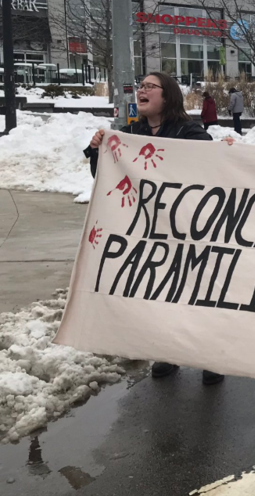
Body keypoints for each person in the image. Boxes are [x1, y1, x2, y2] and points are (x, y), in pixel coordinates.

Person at [83, 71, 225, 386]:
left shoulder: (189, 131)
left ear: (168, 95)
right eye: (140, 86)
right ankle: (168, 351)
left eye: (150, 86)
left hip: (188, 230)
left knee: (196, 292)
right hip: (150, 232)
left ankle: (209, 355)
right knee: (160, 292)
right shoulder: (131, 133)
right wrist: (98, 151)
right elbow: (108, 176)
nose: (141, 91)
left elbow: (210, 164)